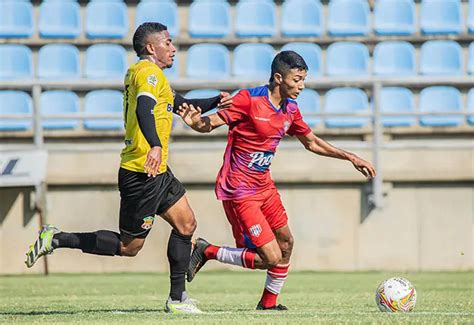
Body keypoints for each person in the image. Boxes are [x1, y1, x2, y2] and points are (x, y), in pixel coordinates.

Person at [24, 22, 233, 314]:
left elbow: (182, 105)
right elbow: (143, 109)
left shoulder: (149, 75)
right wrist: (155, 144)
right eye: (168, 42)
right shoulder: (147, 73)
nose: (173, 48)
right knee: (128, 247)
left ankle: (178, 299)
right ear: (151, 47)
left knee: (186, 224)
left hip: (158, 171)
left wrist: (216, 101)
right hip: (142, 172)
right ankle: (57, 238)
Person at [178, 51, 376, 310]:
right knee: (270, 258)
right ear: (279, 78)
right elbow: (210, 123)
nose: (302, 86)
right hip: (240, 190)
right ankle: (207, 251)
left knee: (286, 244)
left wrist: (350, 157)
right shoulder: (247, 100)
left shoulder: (290, 109)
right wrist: (195, 123)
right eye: (297, 79)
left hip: (265, 187)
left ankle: (268, 304)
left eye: (304, 79)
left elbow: (312, 142)